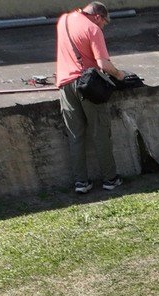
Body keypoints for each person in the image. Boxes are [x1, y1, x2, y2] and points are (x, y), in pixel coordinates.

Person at [55, 2, 127, 196]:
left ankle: (81, 182)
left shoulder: (64, 20)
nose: (103, 26)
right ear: (98, 17)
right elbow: (103, 64)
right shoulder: (93, 29)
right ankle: (110, 179)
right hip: (88, 86)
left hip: (64, 85)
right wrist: (119, 74)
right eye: (104, 22)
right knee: (100, 132)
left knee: (75, 136)